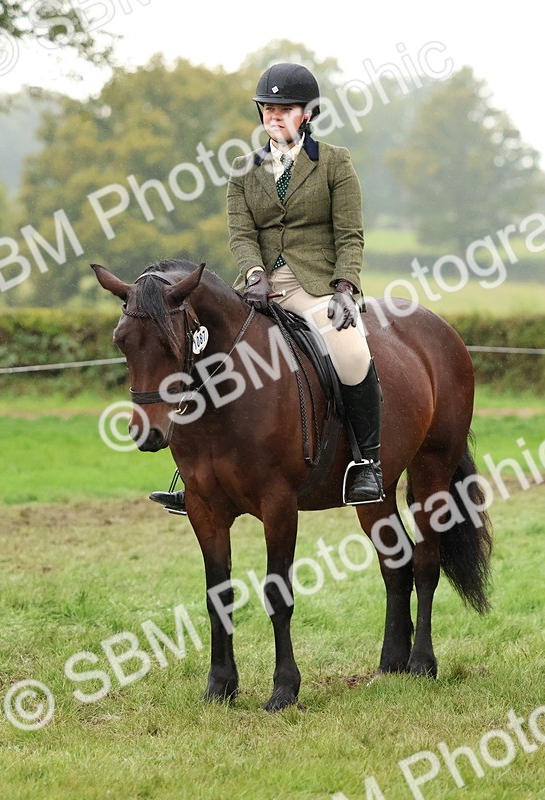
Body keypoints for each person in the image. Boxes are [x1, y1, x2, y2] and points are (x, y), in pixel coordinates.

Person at [150, 63, 383, 514]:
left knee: (352, 353)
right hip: (257, 287)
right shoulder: (242, 170)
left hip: (314, 285)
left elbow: (350, 233)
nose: (274, 117)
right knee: (199, 353)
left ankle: (366, 462)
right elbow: (241, 234)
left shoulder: (334, 162)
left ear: (307, 115)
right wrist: (255, 274)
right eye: (268, 109)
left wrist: (344, 287)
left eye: (285, 109)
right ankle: (196, 476)